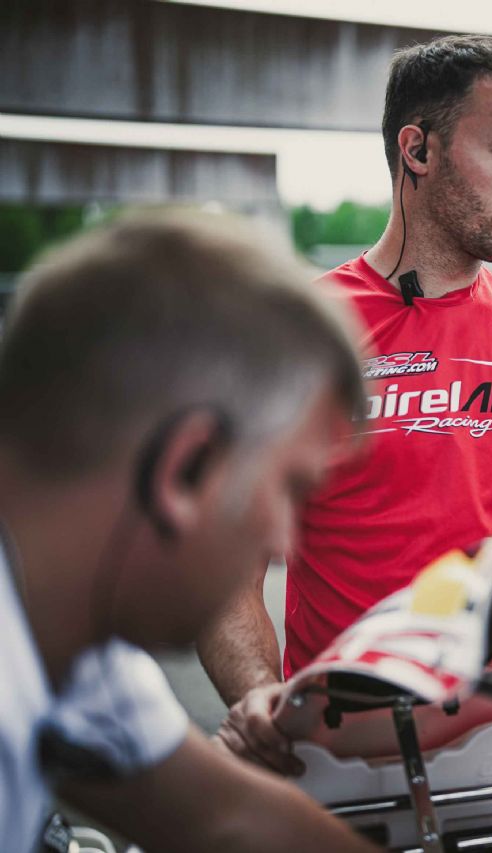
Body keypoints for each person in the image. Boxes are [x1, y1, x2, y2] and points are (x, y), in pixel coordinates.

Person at [200, 34, 492, 774]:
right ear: (417, 150)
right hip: (350, 750)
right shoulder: (296, 332)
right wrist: (260, 699)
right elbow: (224, 565)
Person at [0, 213, 377, 852]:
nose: (284, 541)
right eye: (288, 488)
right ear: (185, 468)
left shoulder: (71, 637)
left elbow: (230, 818)